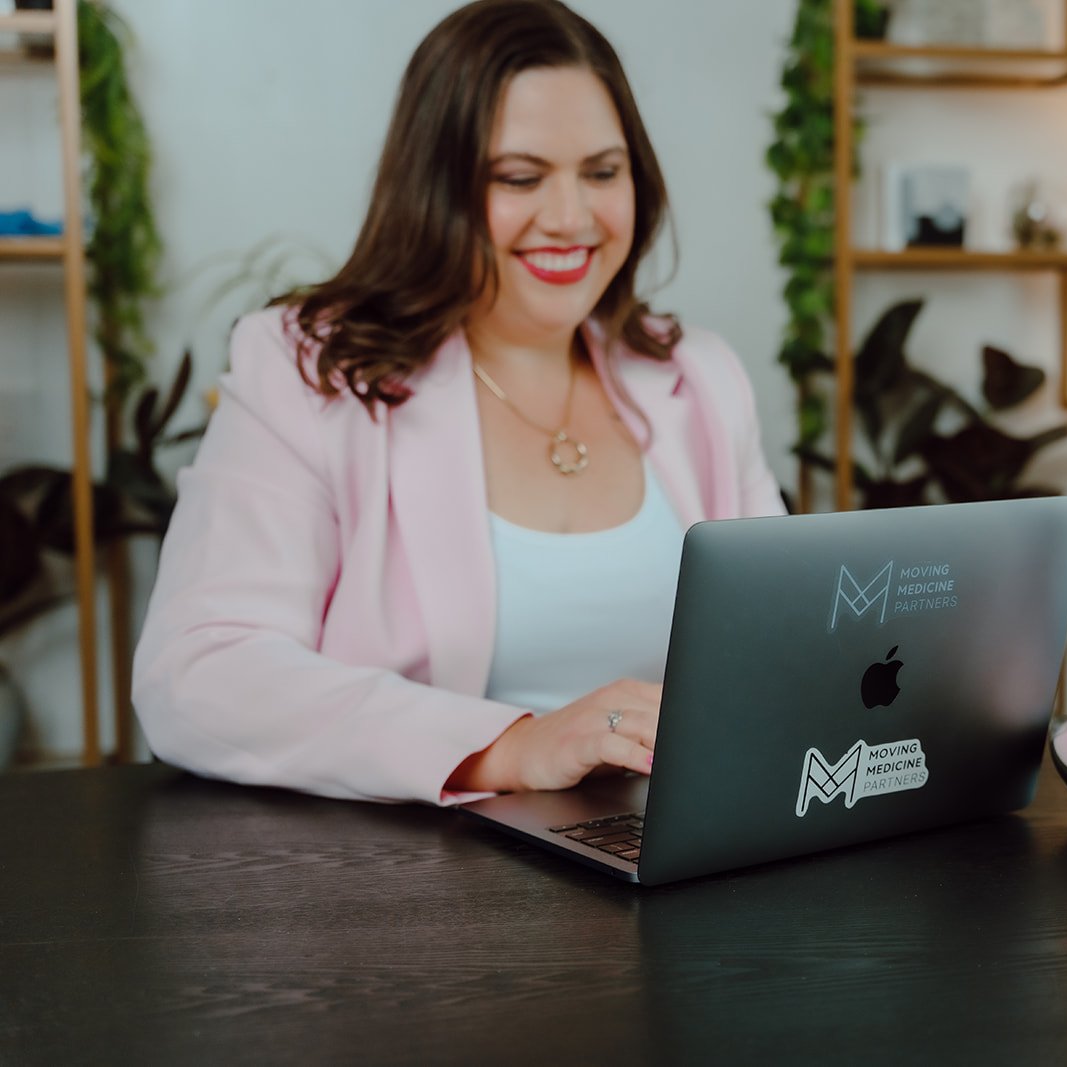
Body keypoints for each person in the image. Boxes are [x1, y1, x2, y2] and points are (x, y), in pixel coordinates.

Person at [131, 0, 785, 805]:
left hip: (668, 858)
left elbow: (779, 651)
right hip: (418, 883)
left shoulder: (700, 376)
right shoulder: (307, 367)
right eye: (519, 177)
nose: (572, 218)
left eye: (602, 172)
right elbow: (198, 672)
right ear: (431, 187)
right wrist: (507, 747)